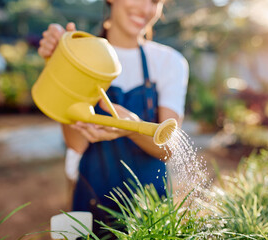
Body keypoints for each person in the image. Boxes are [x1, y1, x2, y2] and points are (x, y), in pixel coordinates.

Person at [38, 0, 189, 235]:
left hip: (150, 214)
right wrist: (64, 63)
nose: (146, 9)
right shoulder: (83, 55)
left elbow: (169, 147)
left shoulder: (170, 62)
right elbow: (75, 143)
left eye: (155, 1)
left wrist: (133, 128)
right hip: (92, 204)